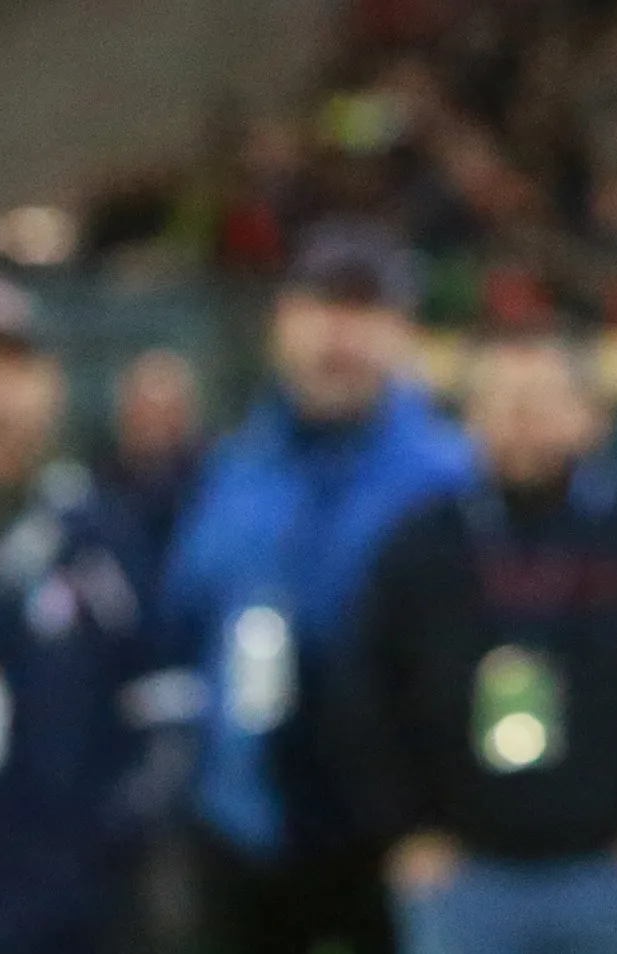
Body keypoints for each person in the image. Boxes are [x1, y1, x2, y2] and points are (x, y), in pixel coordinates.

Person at [339, 326, 617, 954]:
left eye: (542, 400)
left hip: (610, 867)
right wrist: (406, 830)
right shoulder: (420, 550)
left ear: (592, 417)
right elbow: (370, 696)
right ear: (469, 419)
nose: (522, 420)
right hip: (461, 872)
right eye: (503, 401)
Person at [165, 225, 477, 954]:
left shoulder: (453, 479)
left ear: (402, 334)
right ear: (282, 325)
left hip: (401, 833)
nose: (340, 335)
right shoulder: (234, 469)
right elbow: (184, 619)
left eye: (364, 311)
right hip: (249, 822)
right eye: (321, 307)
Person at [0, 277, 169, 954]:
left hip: (61, 915)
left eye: (14, 366)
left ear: (53, 385)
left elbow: (162, 716)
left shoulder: (101, 535)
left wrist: (95, 842)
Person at [106, 349, 205, 578]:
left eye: (167, 413)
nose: (153, 427)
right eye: (143, 411)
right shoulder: (96, 500)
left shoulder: (215, 491)